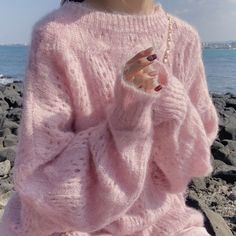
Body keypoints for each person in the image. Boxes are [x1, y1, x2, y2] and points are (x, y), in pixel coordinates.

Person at [0, 0, 219, 235]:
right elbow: (41, 177)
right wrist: (126, 124)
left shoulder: (183, 38)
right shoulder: (56, 35)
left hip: (166, 221)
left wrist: (171, 103)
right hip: (68, 225)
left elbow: (190, 163)